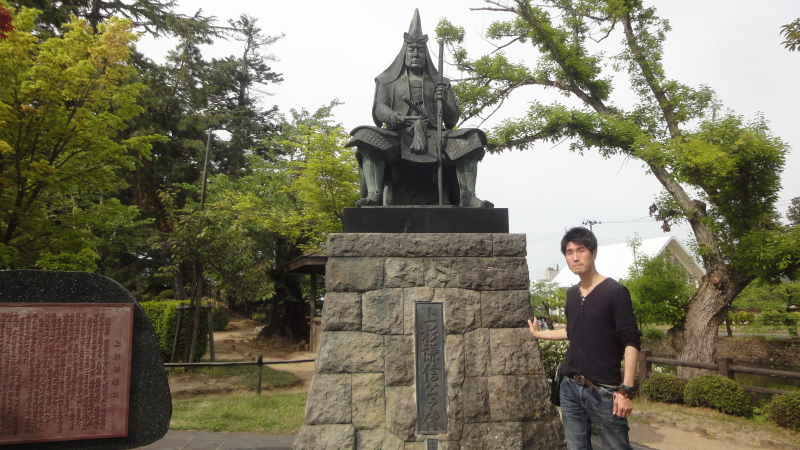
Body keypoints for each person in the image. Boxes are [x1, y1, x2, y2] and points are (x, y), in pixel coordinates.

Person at [346, 9, 493, 208]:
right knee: (365, 135)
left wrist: (443, 101)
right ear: (404, 53)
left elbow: (452, 120)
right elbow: (380, 108)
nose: (416, 54)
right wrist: (393, 116)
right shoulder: (386, 80)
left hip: (435, 136)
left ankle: (467, 196)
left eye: (420, 51)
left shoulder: (441, 82)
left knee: (472, 137)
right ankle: (374, 194)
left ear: (426, 54)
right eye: (412, 50)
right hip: (398, 135)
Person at [528, 227, 641, 450]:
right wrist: (539, 334)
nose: (575, 257)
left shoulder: (615, 292)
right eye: (569, 252)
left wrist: (626, 391)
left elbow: (631, 341)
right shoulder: (572, 294)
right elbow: (572, 331)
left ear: (594, 253)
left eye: (581, 250)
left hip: (604, 390)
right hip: (570, 386)